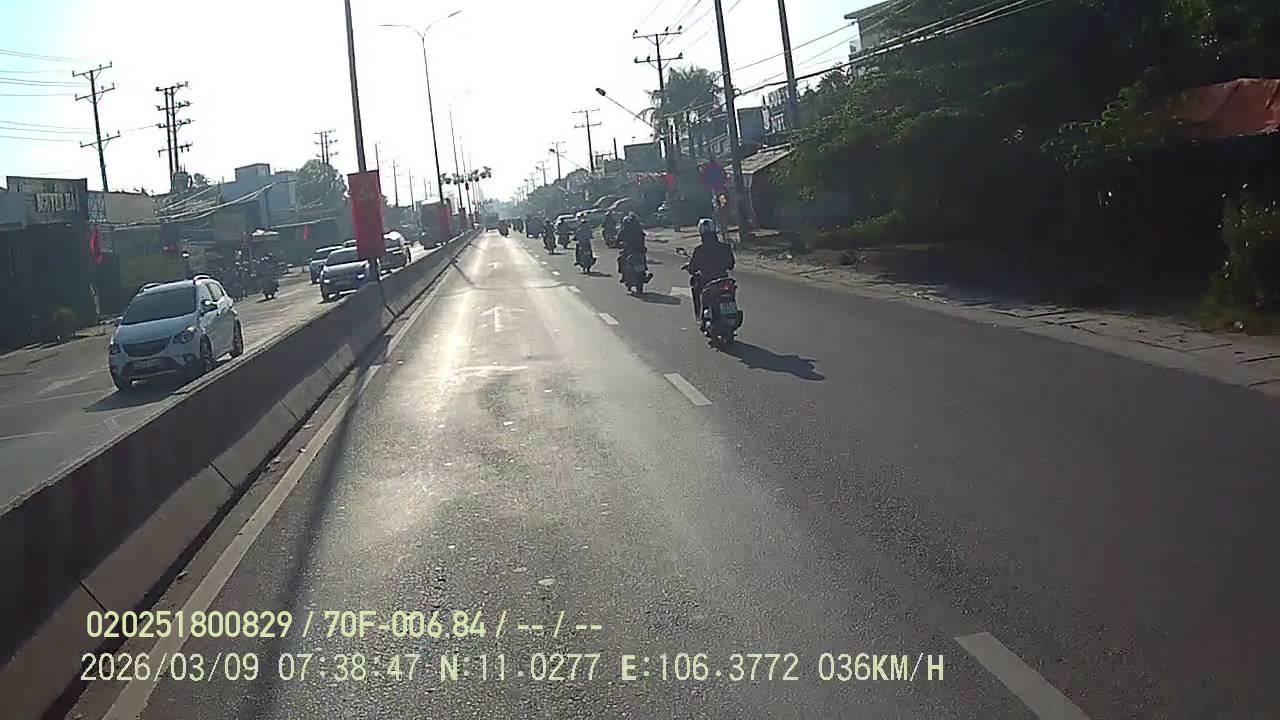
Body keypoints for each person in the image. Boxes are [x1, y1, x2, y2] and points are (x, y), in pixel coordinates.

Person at [686, 218, 735, 321]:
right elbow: (731, 265)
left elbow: (693, 268)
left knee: (696, 287)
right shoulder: (725, 247)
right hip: (723, 279)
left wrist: (690, 269)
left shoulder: (699, 250)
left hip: (706, 280)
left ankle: (700, 316)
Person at [617, 212, 651, 282]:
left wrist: (618, 244)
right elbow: (643, 238)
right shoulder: (638, 229)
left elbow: (619, 239)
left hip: (631, 249)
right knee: (642, 258)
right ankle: (642, 274)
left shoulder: (625, 229)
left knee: (621, 259)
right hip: (638, 249)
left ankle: (624, 276)